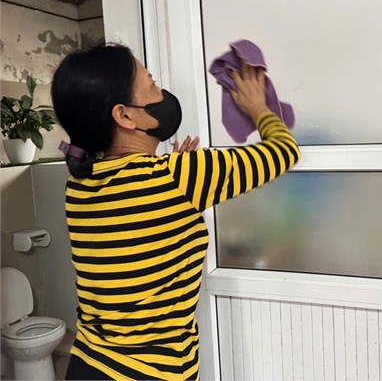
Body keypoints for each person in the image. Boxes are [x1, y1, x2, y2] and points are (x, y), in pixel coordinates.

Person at [51, 43, 300, 380]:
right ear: (125, 115)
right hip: (147, 373)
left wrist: (175, 179)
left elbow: (138, 229)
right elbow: (283, 152)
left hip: (87, 363)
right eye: (151, 85)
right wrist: (259, 108)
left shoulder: (80, 185)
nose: (161, 93)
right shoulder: (174, 177)